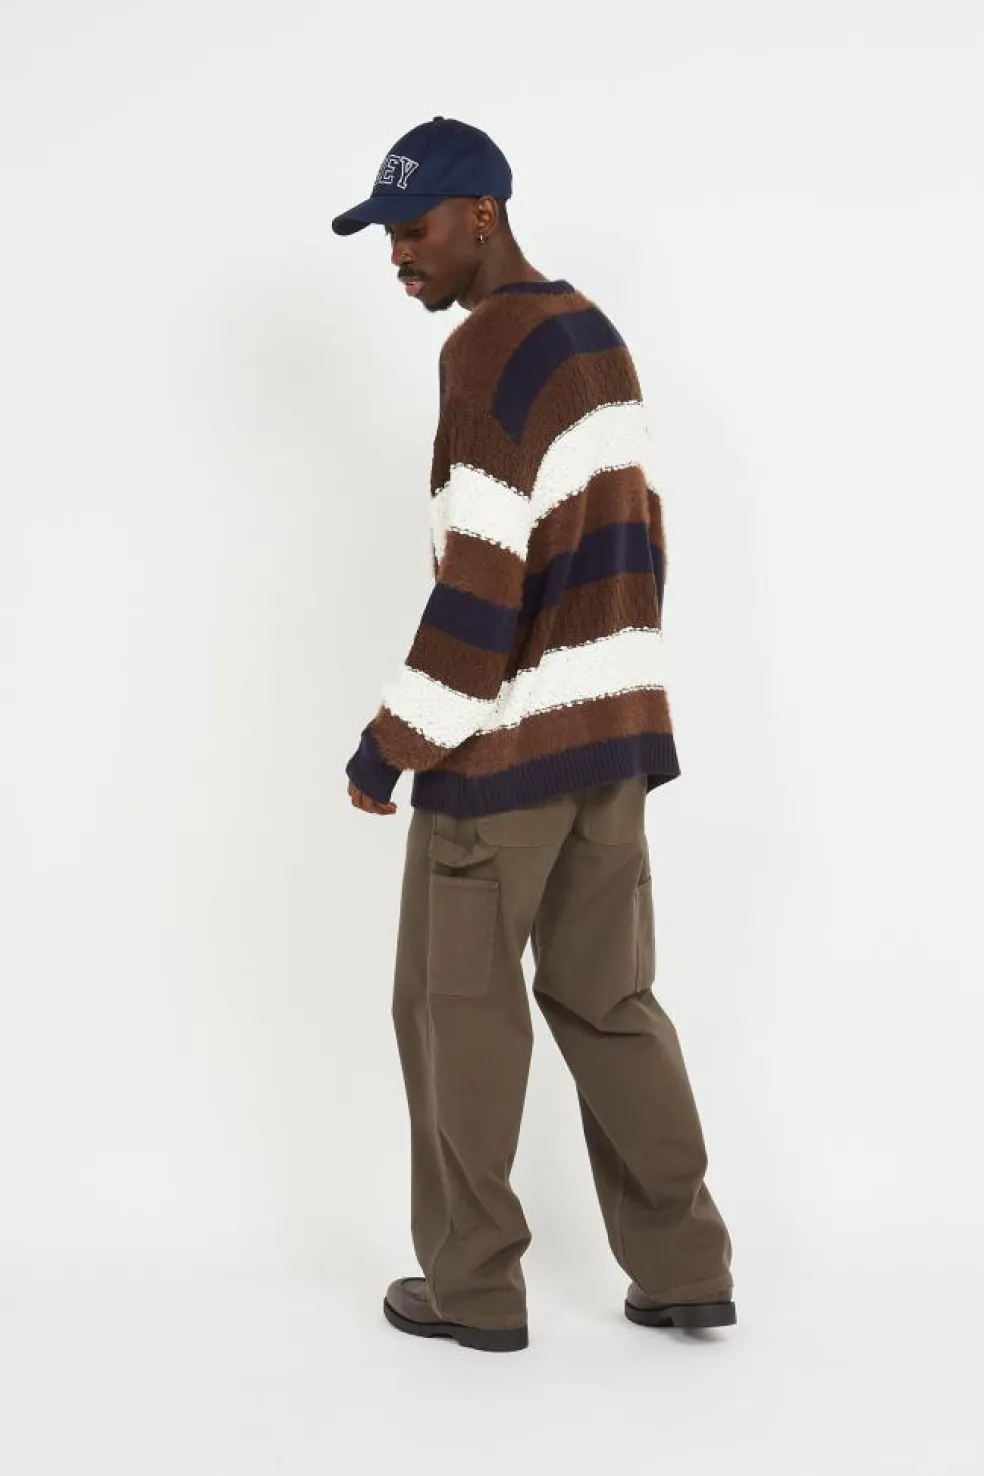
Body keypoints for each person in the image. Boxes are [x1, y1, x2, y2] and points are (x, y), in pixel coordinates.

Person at [332, 117, 735, 1353]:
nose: (399, 255)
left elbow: (481, 589)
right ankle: (687, 1267)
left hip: (502, 757)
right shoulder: (591, 333)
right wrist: (613, 690)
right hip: (614, 736)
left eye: (415, 229)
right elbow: (640, 536)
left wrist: (391, 745)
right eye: (387, 235)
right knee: (609, 999)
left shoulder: (486, 351)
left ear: (484, 215)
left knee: (450, 1011)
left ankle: (473, 1287)